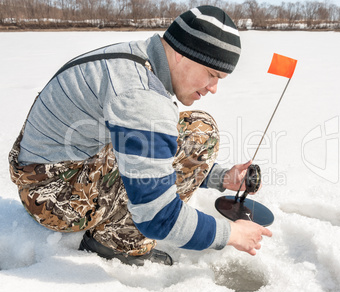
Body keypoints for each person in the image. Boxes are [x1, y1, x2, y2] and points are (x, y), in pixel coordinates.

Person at [8, 5, 272, 266]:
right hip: (53, 198)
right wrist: (232, 234)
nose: (213, 88)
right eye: (212, 74)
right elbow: (158, 216)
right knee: (194, 134)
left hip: (56, 168)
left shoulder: (139, 57)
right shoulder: (140, 96)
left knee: (195, 130)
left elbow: (154, 150)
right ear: (182, 54)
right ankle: (118, 244)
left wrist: (220, 177)